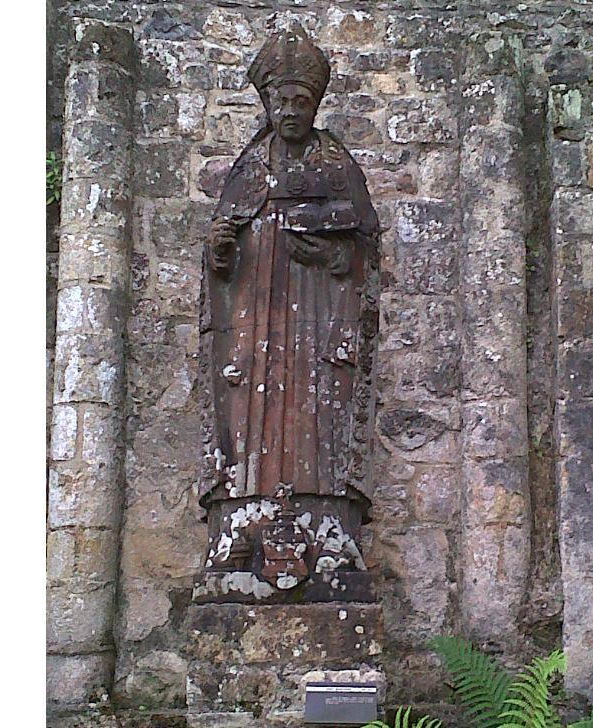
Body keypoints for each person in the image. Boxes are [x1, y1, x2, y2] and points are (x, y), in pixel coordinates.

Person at [198, 27, 380, 595]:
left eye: (303, 101)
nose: (292, 111)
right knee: (249, 408)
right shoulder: (248, 170)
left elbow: (365, 248)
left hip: (319, 321)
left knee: (321, 411)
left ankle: (327, 522)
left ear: (315, 104)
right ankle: (241, 517)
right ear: (268, 103)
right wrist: (222, 251)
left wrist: (331, 254)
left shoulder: (336, 163)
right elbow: (219, 262)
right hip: (256, 319)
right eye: (283, 101)